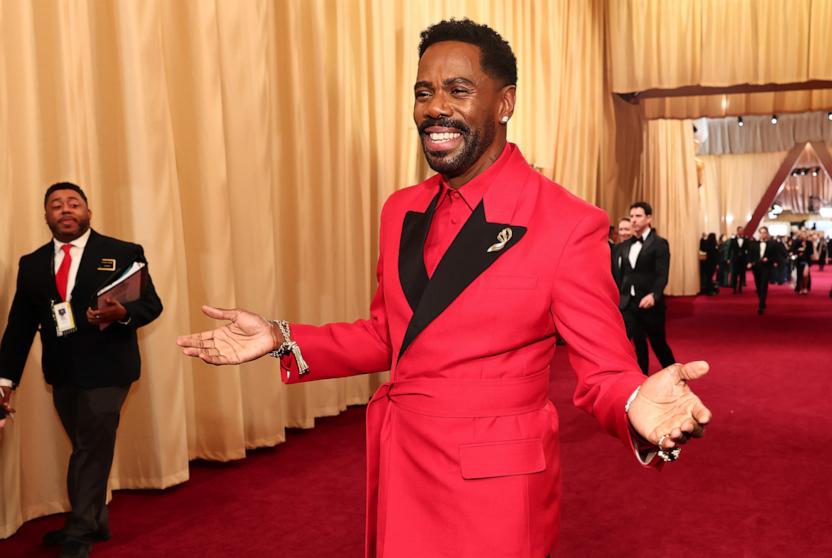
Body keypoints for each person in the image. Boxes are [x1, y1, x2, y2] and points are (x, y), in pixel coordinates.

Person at [176, 20, 710, 558]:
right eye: (423, 92)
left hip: (493, 494)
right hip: (401, 462)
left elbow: (604, 367)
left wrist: (636, 401)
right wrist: (280, 337)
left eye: (458, 90)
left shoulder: (567, 223)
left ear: (505, 104)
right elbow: (392, 334)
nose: (435, 108)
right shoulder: (400, 209)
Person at [0, 182, 163, 558]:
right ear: (46, 216)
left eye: (74, 203)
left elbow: (152, 305)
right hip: (61, 372)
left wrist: (124, 313)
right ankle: (96, 518)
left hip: (109, 370)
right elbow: (19, 326)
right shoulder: (32, 263)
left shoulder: (123, 253)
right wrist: (5, 380)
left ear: (88, 212)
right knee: (88, 446)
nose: (66, 210)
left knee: (90, 446)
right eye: (56, 205)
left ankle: (80, 529)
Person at [615, 201, 677, 374]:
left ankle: (677, 379)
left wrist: (654, 295)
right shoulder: (626, 245)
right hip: (630, 305)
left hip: (650, 305)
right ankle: (641, 381)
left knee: (659, 345)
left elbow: (662, 275)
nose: (634, 220)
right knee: (635, 346)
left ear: (649, 218)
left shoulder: (659, 244)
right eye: (632, 216)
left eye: (638, 216)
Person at [748, 226, 782, 315]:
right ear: (759, 234)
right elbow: (750, 255)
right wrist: (750, 262)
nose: (763, 234)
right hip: (756, 267)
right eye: (761, 232)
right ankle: (762, 301)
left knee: (764, 286)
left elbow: (775, 256)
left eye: (764, 233)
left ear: (767, 234)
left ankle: (761, 305)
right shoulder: (754, 244)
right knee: (758, 287)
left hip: (766, 267)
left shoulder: (772, 244)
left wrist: (769, 260)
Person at [791, 230, 813, 295]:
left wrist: (805, 248)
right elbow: (792, 250)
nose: (804, 236)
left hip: (807, 260)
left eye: (805, 235)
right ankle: (800, 288)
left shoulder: (809, 243)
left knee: (805, 275)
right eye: (802, 235)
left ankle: (805, 287)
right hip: (799, 260)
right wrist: (798, 251)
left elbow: (811, 252)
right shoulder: (797, 242)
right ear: (800, 236)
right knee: (800, 275)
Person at [729, 226, 749, 293]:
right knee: (734, 274)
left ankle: (740, 288)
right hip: (735, 260)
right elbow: (730, 249)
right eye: (740, 230)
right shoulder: (733, 240)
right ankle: (734, 288)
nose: (741, 232)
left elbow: (748, 249)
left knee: (742, 274)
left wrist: (748, 259)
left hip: (743, 259)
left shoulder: (746, 239)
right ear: (737, 231)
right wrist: (729, 258)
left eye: (742, 230)